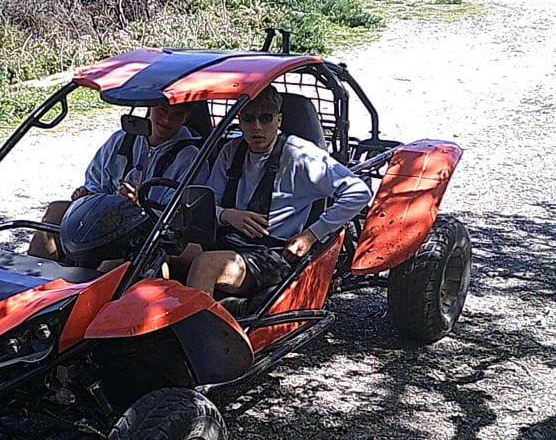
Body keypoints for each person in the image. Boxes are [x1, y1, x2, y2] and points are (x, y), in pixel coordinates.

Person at [186, 85, 372, 296]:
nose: (257, 127)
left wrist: (311, 235)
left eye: (265, 118)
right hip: (228, 241)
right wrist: (228, 215)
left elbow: (359, 192)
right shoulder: (232, 150)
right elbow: (207, 203)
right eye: (248, 119)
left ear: (279, 120)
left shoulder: (300, 155)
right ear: (240, 121)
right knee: (168, 251)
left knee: (205, 266)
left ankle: (195, 329)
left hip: (274, 254)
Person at [28, 102, 204, 260]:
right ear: (150, 107)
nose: (166, 120)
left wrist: (139, 205)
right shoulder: (121, 139)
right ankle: (32, 278)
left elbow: (179, 213)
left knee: (118, 245)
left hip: (150, 229)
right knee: (56, 210)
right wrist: (87, 195)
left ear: (186, 118)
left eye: (177, 115)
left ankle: (89, 290)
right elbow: (95, 179)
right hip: (106, 219)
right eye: (162, 110)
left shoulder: (190, 157)